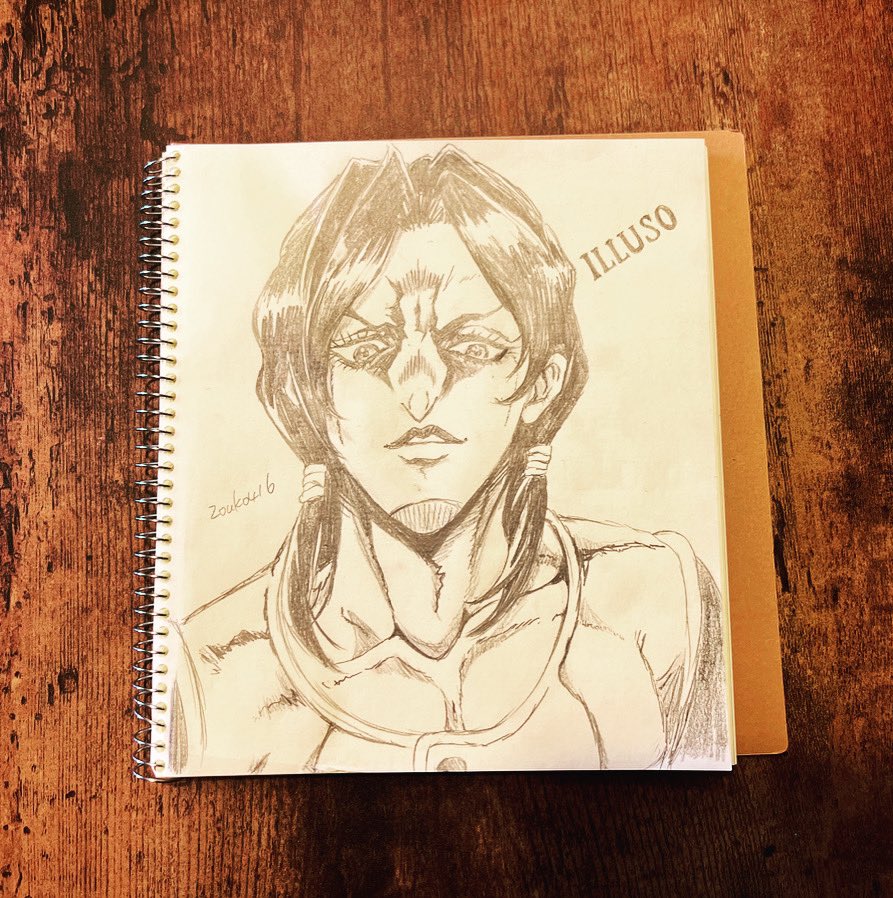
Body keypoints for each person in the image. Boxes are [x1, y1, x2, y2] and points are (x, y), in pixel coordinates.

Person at [169, 145, 728, 774]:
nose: (419, 391)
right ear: (303, 393)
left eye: (472, 345)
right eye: (366, 348)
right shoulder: (211, 676)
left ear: (542, 383)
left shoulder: (658, 608)